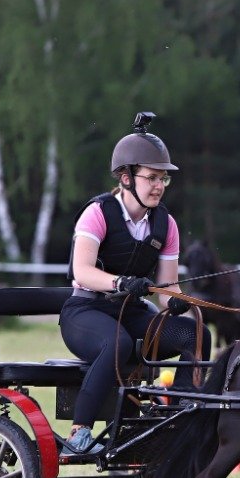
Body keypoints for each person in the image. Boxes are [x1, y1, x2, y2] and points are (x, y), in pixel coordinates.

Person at [59, 112, 210, 454]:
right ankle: (78, 433)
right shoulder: (97, 213)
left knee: (195, 334)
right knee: (119, 343)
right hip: (85, 310)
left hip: (130, 310)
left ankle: (180, 419)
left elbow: (167, 287)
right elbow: (81, 271)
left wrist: (176, 301)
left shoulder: (165, 224)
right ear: (126, 178)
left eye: (163, 180)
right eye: (152, 178)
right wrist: (121, 282)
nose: (159, 186)